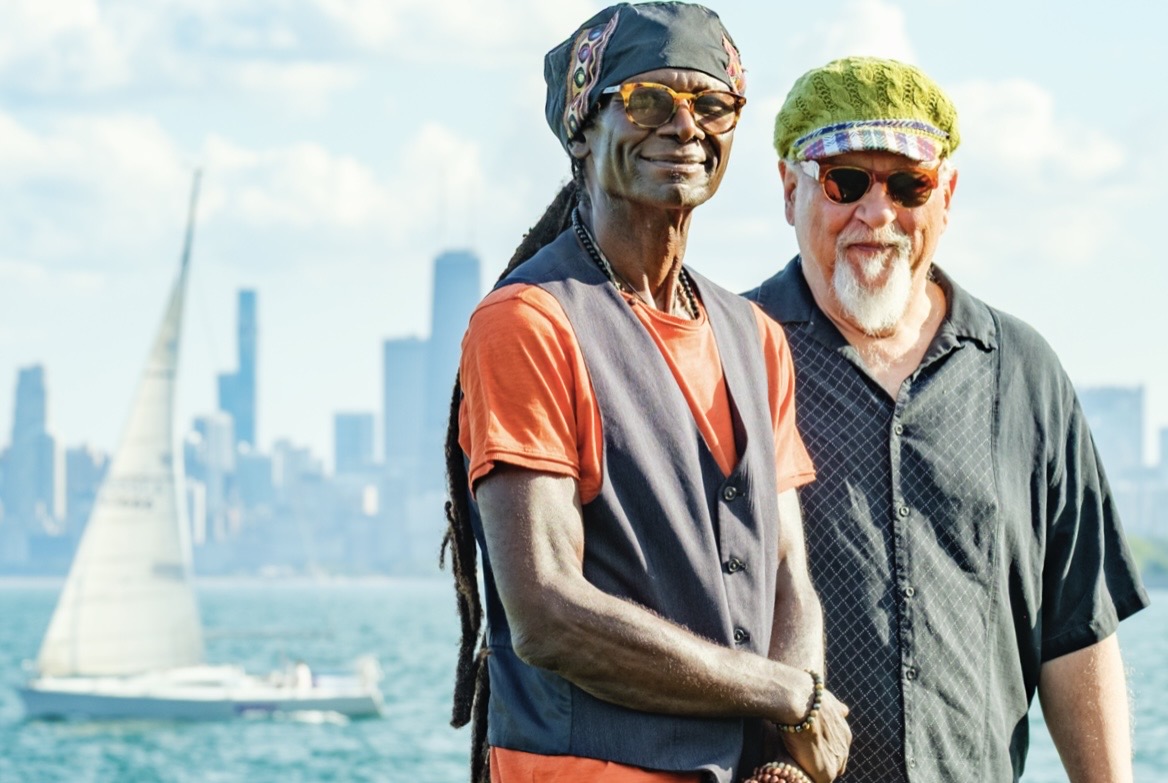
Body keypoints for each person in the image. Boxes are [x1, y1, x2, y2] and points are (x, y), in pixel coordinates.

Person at [440, 4, 851, 783]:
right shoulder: (530, 323)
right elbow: (547, 611)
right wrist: (785, 692)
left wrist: (794, 743)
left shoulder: (755, 337)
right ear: (583, 129)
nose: (685, 126)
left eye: (712, 104)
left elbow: (788, 575)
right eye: (648, 101)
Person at [745, 56, 1150, 782]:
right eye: (845, 182)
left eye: (909, 185)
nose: (878, 214)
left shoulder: (1023, 371)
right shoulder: (732, 355)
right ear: (788, 188)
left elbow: (1077, 626)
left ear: (948, 195)